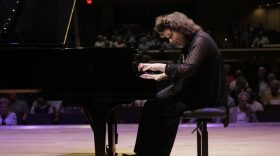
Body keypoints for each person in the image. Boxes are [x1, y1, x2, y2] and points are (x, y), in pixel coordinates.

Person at [123, 11, 228, 156]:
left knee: (160, 107)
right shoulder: (190, 42)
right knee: (151, 105)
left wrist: (156, 66)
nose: (171, 41)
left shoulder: (201, 40)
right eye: (168, 38)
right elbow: (182, 71)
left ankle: (154, 153)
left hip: (205, 95)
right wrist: (160, 77)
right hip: (193, 90)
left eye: (171, 36)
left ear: (180, 28)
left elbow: (187, 69)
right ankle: (143, 153)